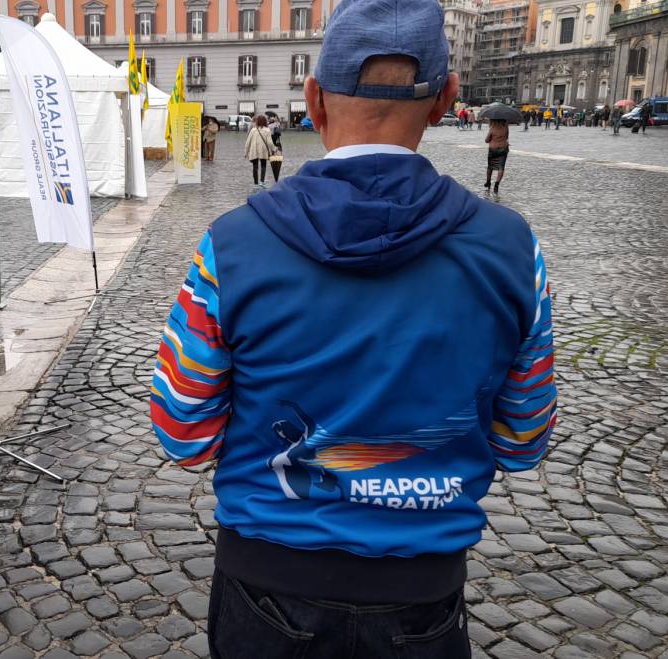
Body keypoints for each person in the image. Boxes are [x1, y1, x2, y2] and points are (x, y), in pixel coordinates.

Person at [149, 0, 558, 654]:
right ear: (444, 98)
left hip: (266, 587)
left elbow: (182, 433)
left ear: (312, 98)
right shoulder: (511, 249)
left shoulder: (232, 247)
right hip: (421, 596)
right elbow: (524, 439)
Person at [244, 115, 274, 189]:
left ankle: (255, 183)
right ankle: (261, 182)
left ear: (257, 121)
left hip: (254, 150)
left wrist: (246, 152)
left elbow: (248, 142)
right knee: (263, 165)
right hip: (263, 150)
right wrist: (273, 149)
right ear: (265, 121)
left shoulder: (253, 130)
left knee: (255, 167)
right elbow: (270, 142)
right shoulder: (267, 130)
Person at [484, 118, 509, 193]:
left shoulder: (492, 128)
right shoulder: (505, 128)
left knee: (490, 167)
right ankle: (496, 185)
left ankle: (488, 182)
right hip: (503, 148)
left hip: (493, 149)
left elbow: (486, 140)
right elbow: (506, 137)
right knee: (501, 168)